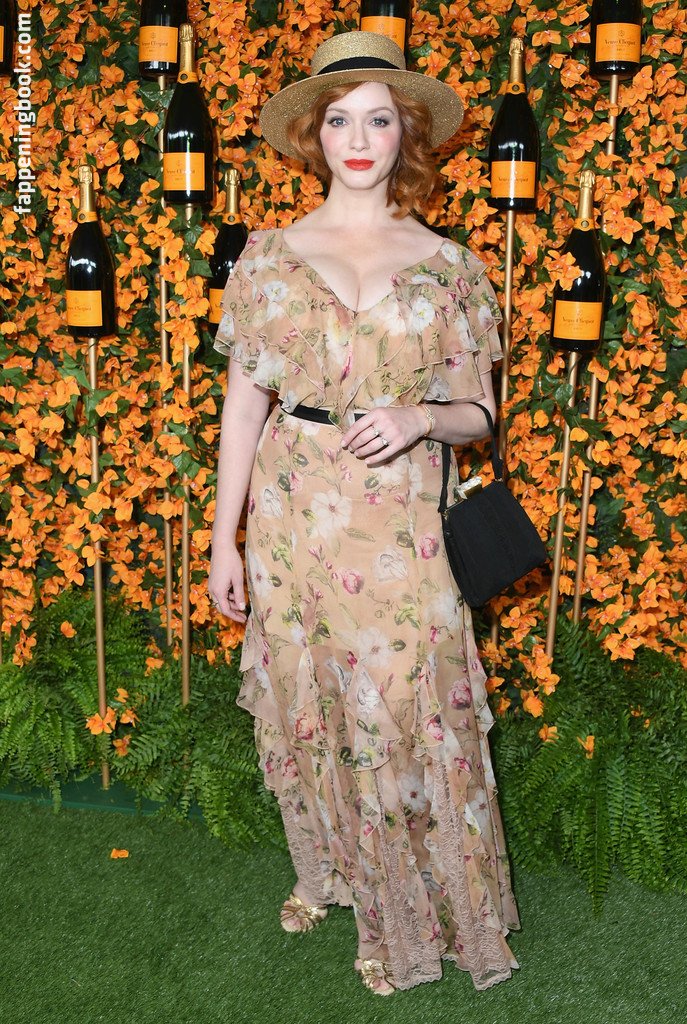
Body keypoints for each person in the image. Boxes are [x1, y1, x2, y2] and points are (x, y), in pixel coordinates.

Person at [208, 30, 520, 996]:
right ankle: (330, 874)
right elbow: (243, 408)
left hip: (399, 520)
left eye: (377, 120)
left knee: (403, 703)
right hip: (294, 512)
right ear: (313, 134)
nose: (357, 139)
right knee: (311, 702)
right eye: (339, 119)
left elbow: (480, 412)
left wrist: (421, 416)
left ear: (404, 135)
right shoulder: (267, 259)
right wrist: (223, 540)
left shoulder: (450, 267)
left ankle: (411, 910)